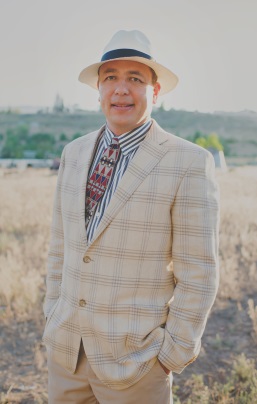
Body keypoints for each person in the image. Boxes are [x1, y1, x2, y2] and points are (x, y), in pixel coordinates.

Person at [43, 29, 219, 403]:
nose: (121, 90)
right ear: (99, 89)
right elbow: (60, 246)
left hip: (137, 366)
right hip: (66, 357)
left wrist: (171, 355)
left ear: (155, 92)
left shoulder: (188, 163)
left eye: (135, 79)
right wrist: (52, 312)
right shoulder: (73, 154)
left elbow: (199, 274)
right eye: (111, 78)